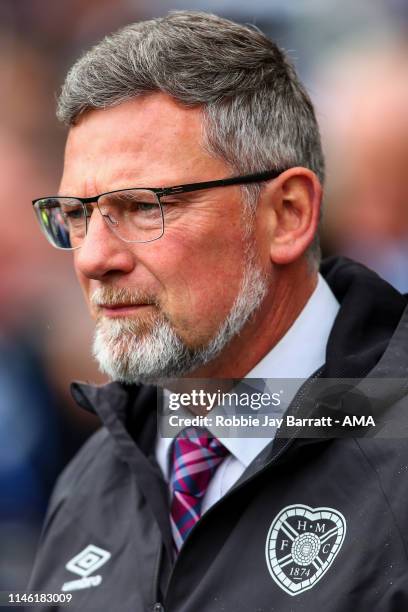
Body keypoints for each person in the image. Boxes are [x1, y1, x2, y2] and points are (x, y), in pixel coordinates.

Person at [28, 11, 408, 611]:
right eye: (76, 215)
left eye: (141, 206)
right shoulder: (93, 477)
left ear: (286, 213)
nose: (93, 258)